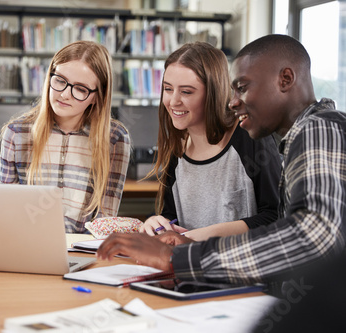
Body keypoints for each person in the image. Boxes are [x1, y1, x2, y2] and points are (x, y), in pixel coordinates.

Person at [97, 34, 346, 286]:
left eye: (243, 87)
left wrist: (181, 258)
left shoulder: (317, 129)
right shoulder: (302, 137)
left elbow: (315, 236)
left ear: (286, 79)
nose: (233, 101)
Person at [138, 42, 281, 241]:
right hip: (190, 267)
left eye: (186, 92)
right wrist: (159, 223)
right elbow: (173, 219)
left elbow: (276, 217)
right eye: (168, 89)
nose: (173, 101)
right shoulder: (177, 148)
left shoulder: (250, 136)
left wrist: (199, 236)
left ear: (213, 93)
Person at [0, 41, 131, 233]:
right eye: (60, 80)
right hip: (28, 245)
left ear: (97, 96)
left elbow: (105, 221)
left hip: (84, 250)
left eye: (80, 89)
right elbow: (6, 212)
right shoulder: (17, 133)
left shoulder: (114, 139)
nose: (65, 94)